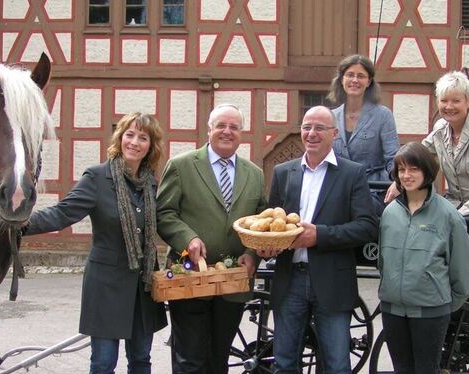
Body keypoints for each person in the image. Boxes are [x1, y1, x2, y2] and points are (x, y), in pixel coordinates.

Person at [24, 113, 168, 374]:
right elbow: (62, 213)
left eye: (143, 137)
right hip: (105, 285)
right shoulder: (98, 177)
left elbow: (167, 222)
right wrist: (19, 224)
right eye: (130, 135)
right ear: (120, 138)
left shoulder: (151, 184)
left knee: (141, 360)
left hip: (143, 287)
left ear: (151, 145)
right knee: (103, 363)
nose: (135, 142)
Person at [261, 106, 378, 373]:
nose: (311, 133)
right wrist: (268, 247)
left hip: (332, 282)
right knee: (285, 362)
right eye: (306, 127)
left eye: (319, 128)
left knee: (337, 365)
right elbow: (272, 224)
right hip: (290, 279)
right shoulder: (283, 172)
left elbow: (367, 227)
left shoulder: (352, 173)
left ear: (334, 134)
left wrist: (320, 236)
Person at [385, 71, 469, 311]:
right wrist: (398, 180)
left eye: (456, 100)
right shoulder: (441, 129)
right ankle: (463, 334)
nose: (449, 106)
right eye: (444, 100)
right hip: (458, 214)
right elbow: (420, 154)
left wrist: (462, 213)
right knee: (455, 277)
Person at [156, 104, 267, 374]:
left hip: (233, 282)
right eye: (221, 125)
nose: (227, 131)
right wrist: (188, 238)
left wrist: (252, 254)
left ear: (242, 133)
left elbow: (259, 223)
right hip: (190, 276)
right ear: (209, 130)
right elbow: (164, 213)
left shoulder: (255, 173)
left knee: (219, 359)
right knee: (190, 360)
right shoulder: (181, 166)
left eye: (234, 127)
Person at [378, 142, 469, 374]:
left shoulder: (449, 216)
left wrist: (444, 303)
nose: (406, 175)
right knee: (402, 369)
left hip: (430, 312)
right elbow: (382, 260)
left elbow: (462, 268)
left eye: (413, 169)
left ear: (427, 171)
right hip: (393, 310)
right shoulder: (390, 213)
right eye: (401, 170)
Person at [328, 54, 400, 214]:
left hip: (373, 193)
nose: (355, 80)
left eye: (361, 76)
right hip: (338, 192)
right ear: (341, 79)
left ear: (369, 82)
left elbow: (393, 158)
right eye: (350, 75)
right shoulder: (331, 117)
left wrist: (397, 181)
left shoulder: (383, 115)